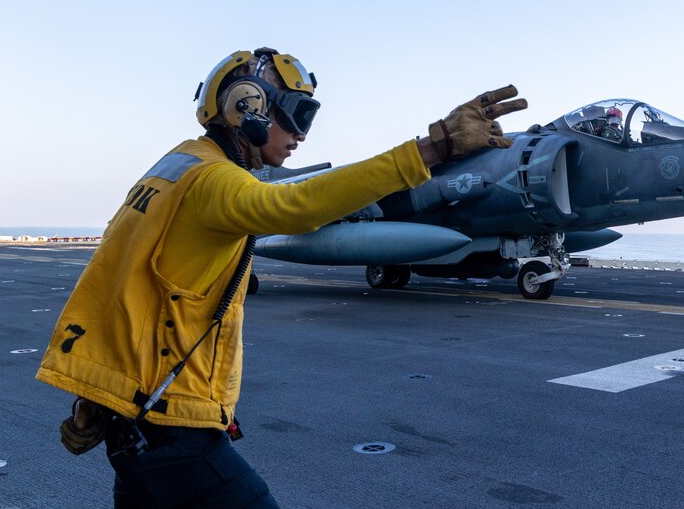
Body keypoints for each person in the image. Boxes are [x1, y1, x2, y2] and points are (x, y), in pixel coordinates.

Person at [35, 47, 526, 508]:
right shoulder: (213, 180)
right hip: (173, 427)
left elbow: (122, 288)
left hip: (136, 423)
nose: (302, 136)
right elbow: (295, 206)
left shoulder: (171, 170)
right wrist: (432, 148)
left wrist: (98, 398)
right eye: (297, 115)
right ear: (247, 107)